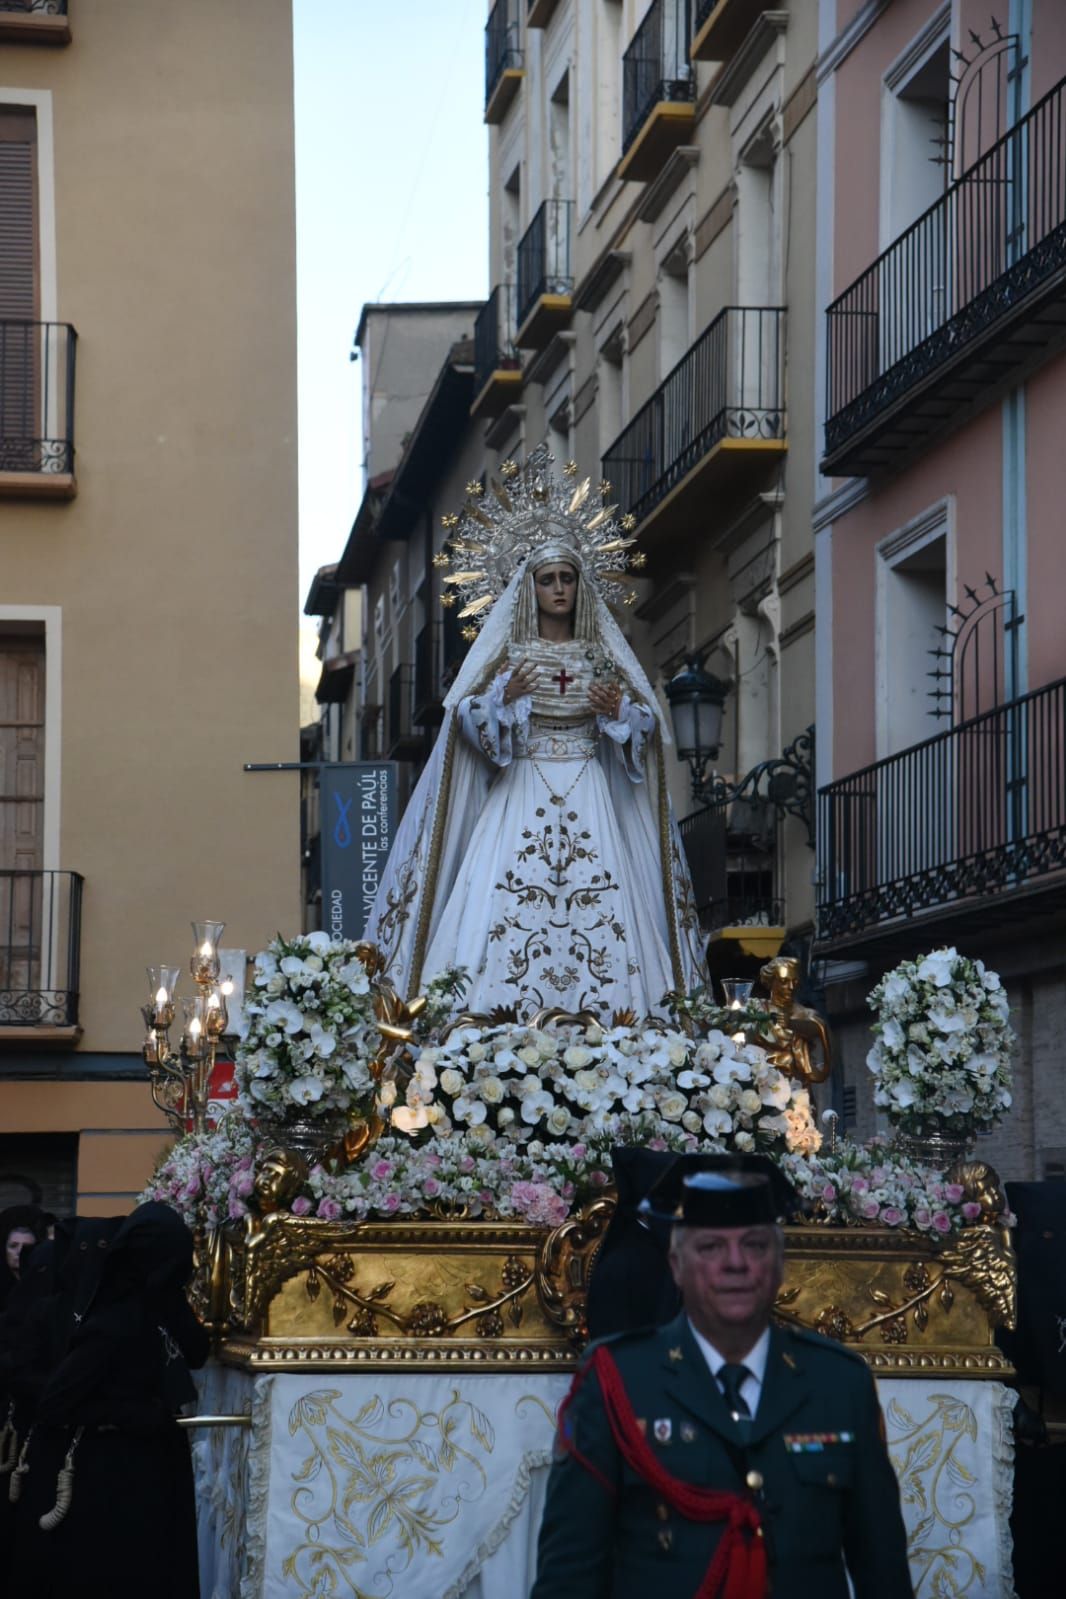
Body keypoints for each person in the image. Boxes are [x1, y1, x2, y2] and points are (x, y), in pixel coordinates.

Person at [364, 452, 706, 1018]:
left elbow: (646, 727)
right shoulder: (508, 661)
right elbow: (466, 721)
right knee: (501, 906)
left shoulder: (601, 658)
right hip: (521, 786)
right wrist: (503, 704)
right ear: (529, 588)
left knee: (605, 905)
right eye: (547, 580)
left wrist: (620, 710)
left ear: (580, 584)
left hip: (589, 789)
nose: (559, 589)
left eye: (567, 578)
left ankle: (616, 1024)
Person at [531, 1168, 914, 1599]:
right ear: (676, 1266)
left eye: (754, 1245)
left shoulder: (840, 1383)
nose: (735, 1263)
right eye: (711, 1247)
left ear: (779, 1265)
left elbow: (883, 1573)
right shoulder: (616, 1381)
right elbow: (568, 1577)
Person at [7, 1202, 208, 1599]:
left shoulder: (157, 1305)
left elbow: (197, 1351)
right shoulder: (113, 1321)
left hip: (153, 1467)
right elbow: (55, 1401)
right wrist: (135, 1414)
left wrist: (173, 1303)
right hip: (114, 1471)